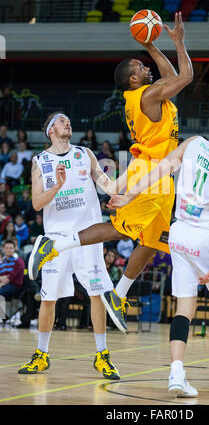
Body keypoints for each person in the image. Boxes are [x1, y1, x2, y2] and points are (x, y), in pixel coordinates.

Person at [28, 12, 193, 334]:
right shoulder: (146, 95)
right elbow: (185, 76)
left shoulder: (149, 91)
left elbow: (170, 75)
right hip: (149, 169)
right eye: (141, 67)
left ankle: (118, 294)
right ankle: (54, 246)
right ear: (133, 80)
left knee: (153, 239)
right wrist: (178, 42)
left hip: (162, 172)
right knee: (121, 228)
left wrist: (151, 46)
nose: (147, 68)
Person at [108, 105, 209, 395]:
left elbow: (160, 169)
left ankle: (176, 373)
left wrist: (129, 195)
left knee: (185, 307)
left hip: (181, 234)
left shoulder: (194, 143)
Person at [18, 113, 120, 380]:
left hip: (88, 235)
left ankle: (102, 356)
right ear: (51, 130)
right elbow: (37, 203)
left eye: (68, 120)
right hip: (57, 239)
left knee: (96, 293)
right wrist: (58, 187)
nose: (68, 123)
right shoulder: (40, 161)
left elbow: (107, 183)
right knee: (49, 298)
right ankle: (41, 354)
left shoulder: (86, 153)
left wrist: (123, 193)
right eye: (62, 121)